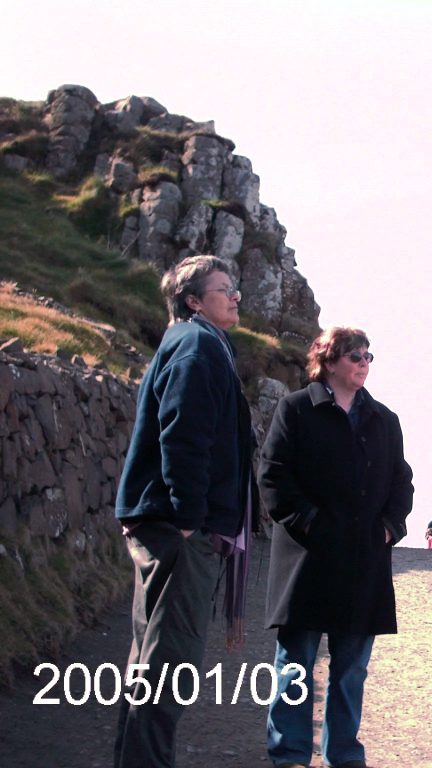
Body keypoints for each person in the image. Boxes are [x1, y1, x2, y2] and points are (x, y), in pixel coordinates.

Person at [113, 255, 252, 768]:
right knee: (170, 667)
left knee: (149, 663)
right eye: (223, 289)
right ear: (194, 300)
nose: (236, 295)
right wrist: (190, 517)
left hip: (165, 526)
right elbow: (184, 435)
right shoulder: (197, 346)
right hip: (178, 531)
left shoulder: (196, 342)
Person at [259, 326, 414, 768]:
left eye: (368, 355)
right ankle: (289, 754)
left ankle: (343, 755)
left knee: (351, 670)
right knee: (295, 664)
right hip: (307, 560)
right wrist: (309, 522)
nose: (363, 363)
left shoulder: (385, 420)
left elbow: (401, 482)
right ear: (328, 362)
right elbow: (273, 476)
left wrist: (389, 527)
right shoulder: (296, 410)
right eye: (354, 356)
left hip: (364, 560)